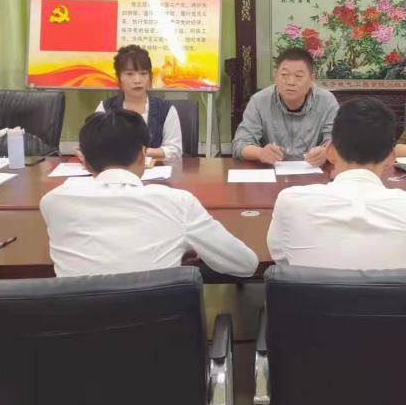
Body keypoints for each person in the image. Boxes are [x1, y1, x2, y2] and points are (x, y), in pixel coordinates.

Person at [267, 97, 406, 271]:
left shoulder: (291, 203)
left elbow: (282, 259)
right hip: (402, 314)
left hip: (317, 314)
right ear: (390, 158)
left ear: (330, 152)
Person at [41, 109, 258, 278]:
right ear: (142, 155)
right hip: (160, 324)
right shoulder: (177, 203)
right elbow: (246, 264)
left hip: (78, 323)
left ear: (85, 162)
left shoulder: (54, 202)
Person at [232, 47, 339, 166]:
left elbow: (336, 143)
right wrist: (261, 153)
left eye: (298, 76)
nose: (291, 82)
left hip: (313, 170)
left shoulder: (327, 101)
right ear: (275, 76)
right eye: (284, 75)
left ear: (311, 79)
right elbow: (240, 145)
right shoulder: (259, 101)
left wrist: (325, 153)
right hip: (271, 171)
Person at [94, 44, 183, 160]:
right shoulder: (106, 108)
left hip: (156, 169)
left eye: (143, 73)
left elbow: (175, 150)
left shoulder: (166, 109)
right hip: (116, 169)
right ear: (119, 78)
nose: (137, 80)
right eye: (129, 74)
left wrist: (144, 152)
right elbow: (92, 145)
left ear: (150, 77)